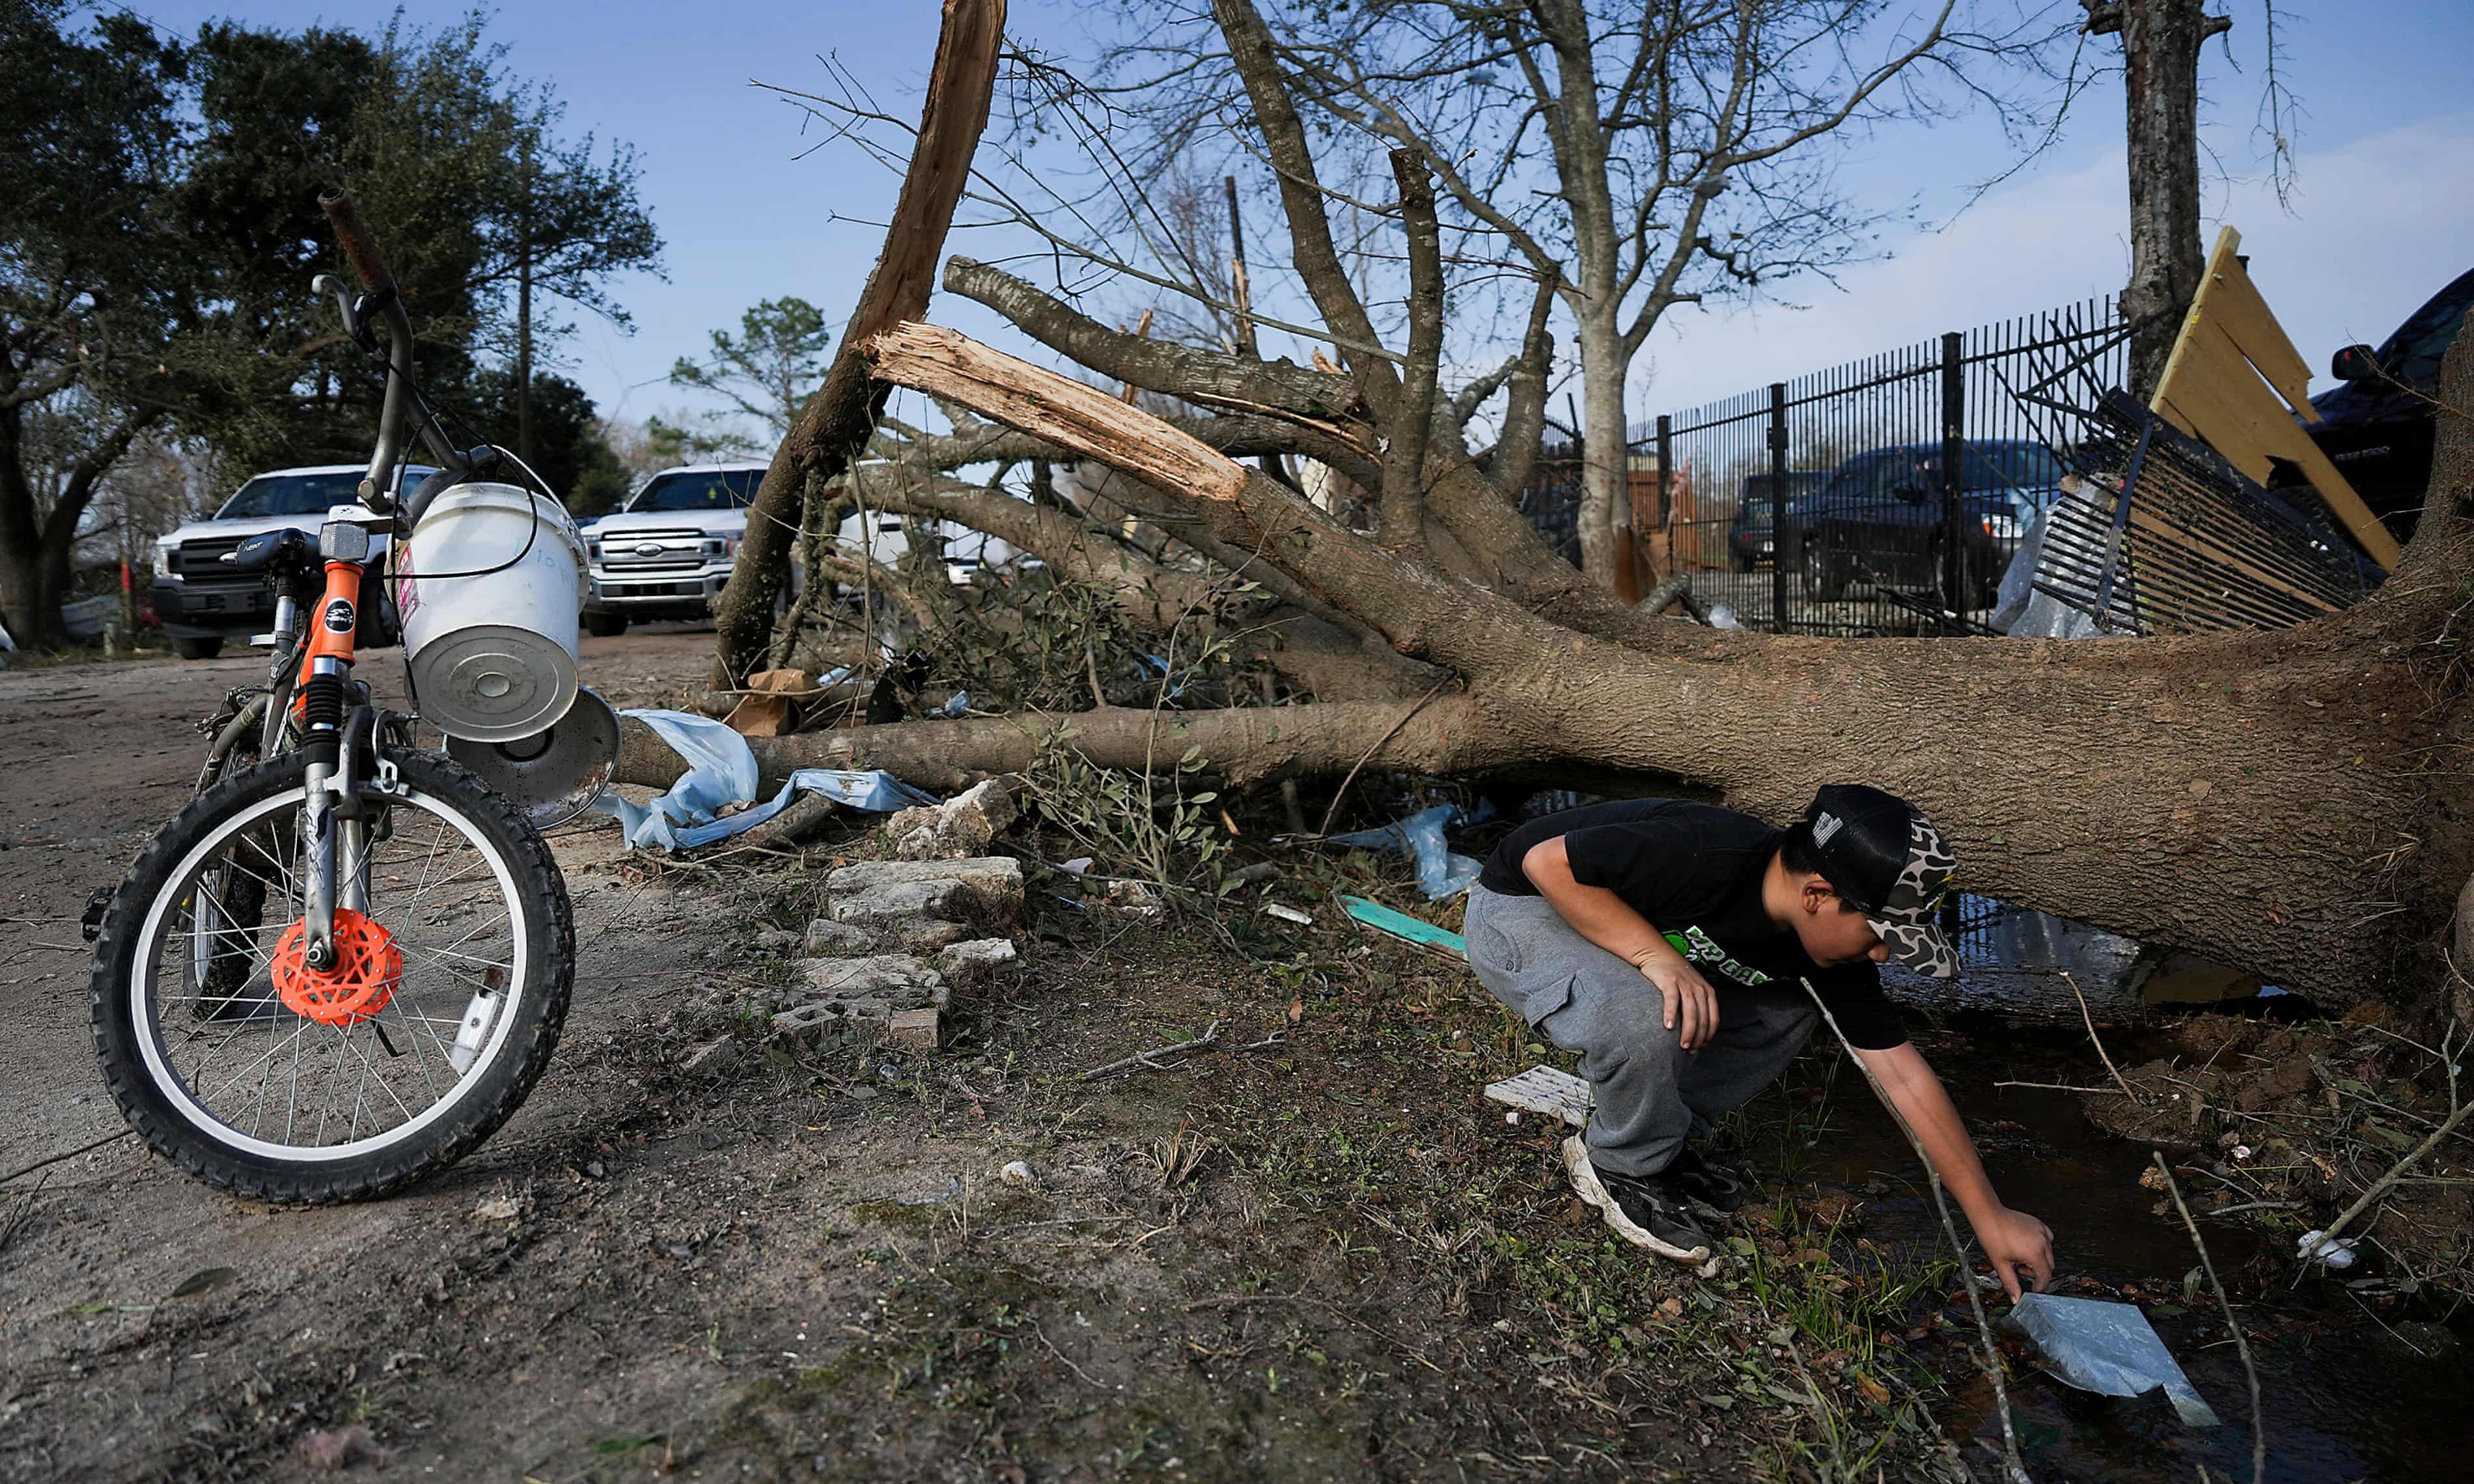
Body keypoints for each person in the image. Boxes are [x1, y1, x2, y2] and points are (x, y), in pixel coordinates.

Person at [1463, 784, 2055, 1298]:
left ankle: (1663, 1136)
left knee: (1789, 1007)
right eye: (1879, 934)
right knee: (1644, 1013)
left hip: (1607, 924)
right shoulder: (1705, 852)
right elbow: (1546, 863)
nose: (1882, 955)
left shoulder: (1826, 954)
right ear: (1817, 895)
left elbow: (1901, 1075)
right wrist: (1656, 958)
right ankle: (1621, 1166)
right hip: (1524, 909)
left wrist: (1990, 1215)